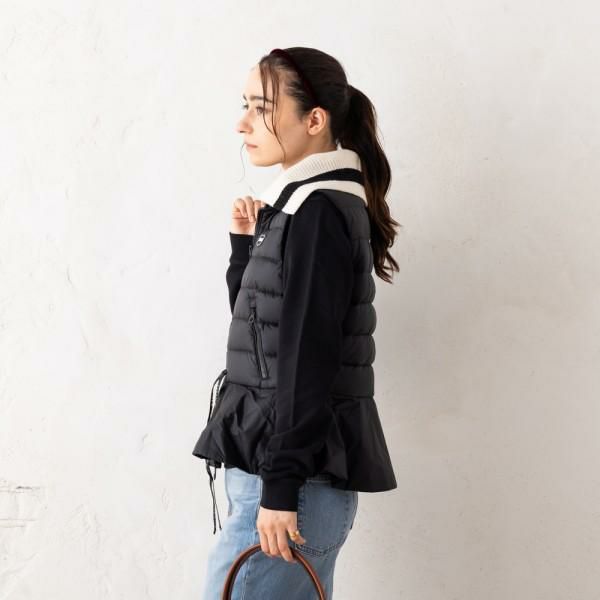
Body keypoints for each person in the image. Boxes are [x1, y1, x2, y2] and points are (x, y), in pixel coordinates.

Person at [192, 46, 401, 599]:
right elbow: (263, 336)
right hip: (287, 478)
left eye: (262, 108)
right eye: (245, 105)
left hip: (290, 484)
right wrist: (245, 248)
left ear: (314, 121)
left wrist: (281, 487)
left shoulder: (317, 213)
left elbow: (309, 359)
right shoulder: (302, 207)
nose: (243, 123)